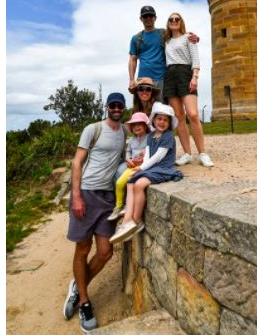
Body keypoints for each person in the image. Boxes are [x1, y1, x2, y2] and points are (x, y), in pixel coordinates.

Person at [62, 92, 127, 333]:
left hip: (107, 197)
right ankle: (85, 302)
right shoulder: (93, 129)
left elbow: (122, 162)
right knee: (82, 248)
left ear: (124, 108)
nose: (117, 108)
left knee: (105, 251)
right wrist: (76, 195)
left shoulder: (124, 132)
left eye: (120, 105)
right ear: (107, 107)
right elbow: (77, 162)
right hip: (86, 194)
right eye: (113, 105)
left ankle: (78, 287)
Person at [109, 103, 183, 244]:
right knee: (131, 181)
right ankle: (127, 220)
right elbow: (148, 155)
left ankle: (136, 221)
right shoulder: (151, 137)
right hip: (152, 167)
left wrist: (142, 169)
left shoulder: (168, 136)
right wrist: (141, 167)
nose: (162, 122)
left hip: (163, 168)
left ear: (169, 123)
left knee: (139, 185)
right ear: (153, 120)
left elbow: (158, 157)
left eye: (165, 120)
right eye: (159, 119)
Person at [163, 12, 214, 167]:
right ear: (168, 23)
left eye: (176, 19)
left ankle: (202, 153)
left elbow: (196, 59)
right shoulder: (165, 41)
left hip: (186, 74)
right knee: (179, 117)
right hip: (170, 76)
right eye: (171, 19)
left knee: (192, 114)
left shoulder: (189, 38)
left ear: (181, 22)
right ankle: (187, 154)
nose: (173, 21)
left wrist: (195, 76)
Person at [128, 5, 198, 98]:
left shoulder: (164, 34)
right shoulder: (136, 38)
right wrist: (131, 79)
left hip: (162, 79)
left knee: (162, 110)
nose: (148, 18)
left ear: (155, 18)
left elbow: (179, 37)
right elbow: (133, 60)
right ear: (141, 19)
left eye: (150, 16)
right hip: (143, 80)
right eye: (145, 16)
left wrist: (195, 38)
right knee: (144, 111)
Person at [109, 112, 149, 222]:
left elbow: (150, 152)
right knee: (119, 179)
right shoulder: (132, 140)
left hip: (142, 166)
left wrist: (143, 158)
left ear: (145, 125)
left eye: (139, 124)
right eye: (134, 125)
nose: (136, 127)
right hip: (132, 165)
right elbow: (128, 151)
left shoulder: (149, 138)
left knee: (129, 181)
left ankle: (127, 205)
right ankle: (118, 205)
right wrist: (128, 159)